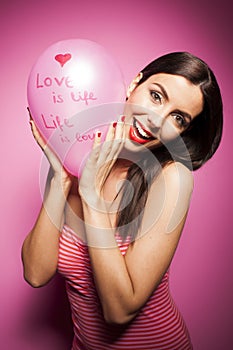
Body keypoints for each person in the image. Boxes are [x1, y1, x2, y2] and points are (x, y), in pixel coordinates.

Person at [22, 52, 223, 350]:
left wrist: (91, 195)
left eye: (178, 118)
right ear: (133, 85)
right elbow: (36, 274)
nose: (156, 121)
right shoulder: (81, 154)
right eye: (156, 96)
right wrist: (61, 177)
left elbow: (119, 310)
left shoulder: (172, 178)